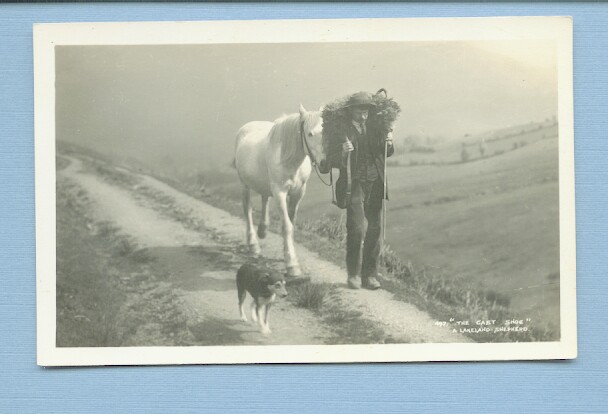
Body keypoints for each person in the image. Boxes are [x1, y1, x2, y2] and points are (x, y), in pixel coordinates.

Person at [328, 91, 394, 290]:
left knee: (375, 228)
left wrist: (389, 140)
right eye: (359, 112)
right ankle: (354, 274)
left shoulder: (375, 128)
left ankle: (370, 276)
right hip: (353, 184)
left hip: (375, 182)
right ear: (351, 112)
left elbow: (387, 152)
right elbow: (330, 160)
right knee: (356, 228)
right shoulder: (341, 131)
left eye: (366, 112)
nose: (363, 116)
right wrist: (342, 151)